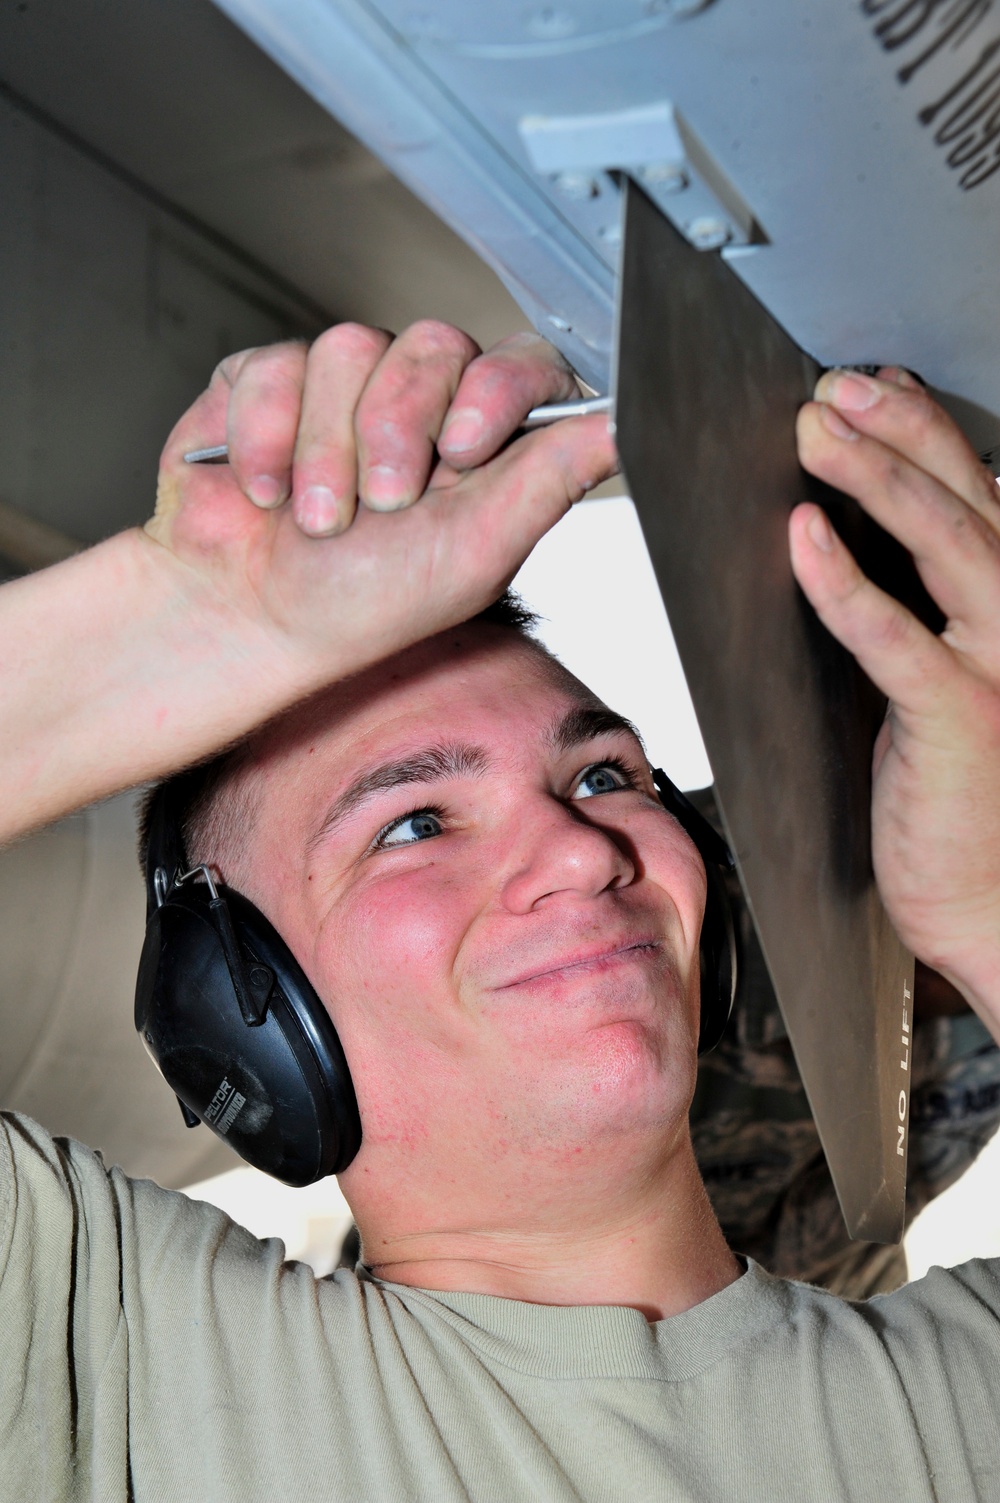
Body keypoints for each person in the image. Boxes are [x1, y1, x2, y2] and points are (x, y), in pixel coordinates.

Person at [2, 321, 1000, 1500]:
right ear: (243, 1020)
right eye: (413, 825)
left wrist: (982, 904)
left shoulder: (961, 1400)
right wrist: (196, 620)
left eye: (601, 778)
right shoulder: (100, 1355)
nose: (579, 856)